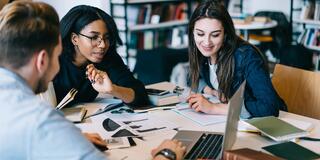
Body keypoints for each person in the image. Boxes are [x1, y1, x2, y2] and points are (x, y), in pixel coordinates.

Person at [0, 1, 185, 159]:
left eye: (106, 38)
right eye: (56, 56)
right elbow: (44, 128)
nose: (102, 45)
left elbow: (138, 92)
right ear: (42, 61)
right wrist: (167, 154)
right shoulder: (42, 120)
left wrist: (67, 138)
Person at [187, 0, 287, 118]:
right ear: (193, 32)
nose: (206, 42)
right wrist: (212, 91)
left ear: (225, 34)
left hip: (268, 122)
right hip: (234, 122)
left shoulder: (246, 56)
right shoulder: (201, 52)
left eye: (215, 35)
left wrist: (213, 107)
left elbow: (269, 108)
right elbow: (191, 78)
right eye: (200, 34)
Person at [53, 5, 149, 107]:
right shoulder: (53, 60)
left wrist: (113, 89)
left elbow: (141, 96)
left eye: (106, 37)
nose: (103, 45)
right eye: (94, 37)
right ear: (74, 39)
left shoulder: (107, 57)